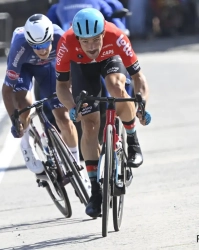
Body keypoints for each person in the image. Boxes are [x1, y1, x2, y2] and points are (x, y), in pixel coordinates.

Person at [55, 8, 151, 218]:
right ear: (77, 37)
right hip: (82, 69)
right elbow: (61, 87)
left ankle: (133, 141)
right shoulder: (66, 42)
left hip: (111, 60)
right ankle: (95, 192)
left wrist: (141, 102)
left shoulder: (116, 35)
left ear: (103, 34)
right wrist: (72, 108)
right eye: (85, 41)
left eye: (96, 40)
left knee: (117, 88)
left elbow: (138, 77)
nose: (91, 47)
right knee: (89, 125)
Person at [2, 14, 81, 179]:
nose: (43, 50)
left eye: (46, 43)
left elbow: (75, 68)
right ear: (30, 42)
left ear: (51, 37)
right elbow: (7, 90)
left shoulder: (61, 37)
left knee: (64, 118)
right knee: (23, 104)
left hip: (48, 68)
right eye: (36, 46)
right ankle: (26, 144)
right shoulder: (20, 45)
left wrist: (70, 91)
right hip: (24, 67)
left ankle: (75, 162)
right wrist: (14, 120)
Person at [47, 0, 129, 36]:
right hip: (69, 41)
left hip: (96, 38)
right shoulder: (56, 8)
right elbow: (50, 25)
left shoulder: (101, 3)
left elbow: (110, 15)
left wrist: (121, 31)